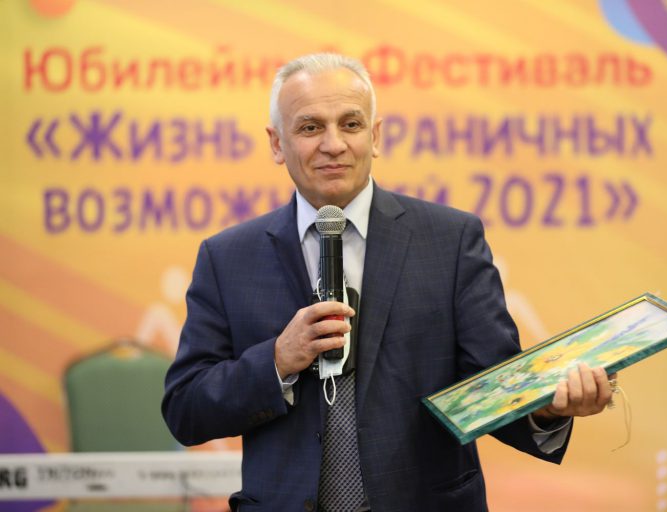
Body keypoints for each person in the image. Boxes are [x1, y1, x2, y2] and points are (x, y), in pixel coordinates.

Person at [162, 53, 615, 512]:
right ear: (277, 143)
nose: (334, 144)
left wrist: (546, 408)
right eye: (311, 127)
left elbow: (490, 385)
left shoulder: (450, 240)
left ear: (375, 136)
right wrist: (277, 360)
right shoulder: (227, 258)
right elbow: (186, 408)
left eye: (351, 124)